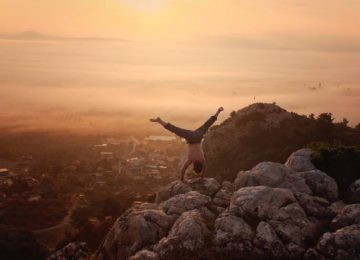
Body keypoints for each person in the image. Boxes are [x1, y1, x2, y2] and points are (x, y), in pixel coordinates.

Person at [150, 107, 224, 181]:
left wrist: (202, 175)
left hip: (198, 135)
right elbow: (183, 170)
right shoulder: (191, 160)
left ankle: (219, 111)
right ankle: (159, 121)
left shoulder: (202, 160)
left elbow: (204, 168)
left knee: (207, 124)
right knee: (176, 130)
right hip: (190, 138)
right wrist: (182, 179)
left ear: (200, 165)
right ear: (194, 166)